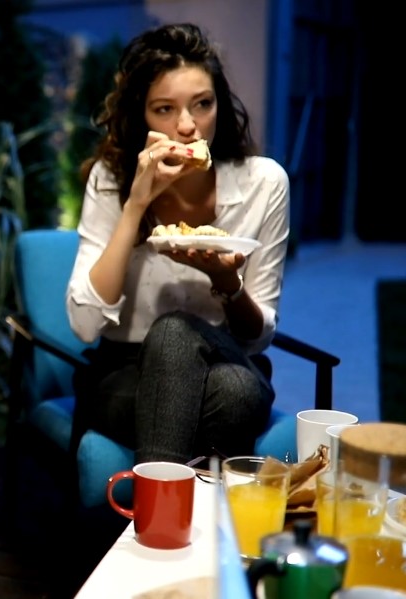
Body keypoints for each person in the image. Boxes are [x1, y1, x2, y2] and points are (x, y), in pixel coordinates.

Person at [66, 23, 288, 465]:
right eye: (164, 109)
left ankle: (154, 519)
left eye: (202, 105)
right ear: (140, 115)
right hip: (126, 372)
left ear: (219, 104)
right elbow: (86, 325)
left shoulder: (265, 182)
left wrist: (227, 282)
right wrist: (135, 205)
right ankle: (204, 517)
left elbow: (257, 337)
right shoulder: (111, 181)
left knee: (184, 337)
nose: (187, 126)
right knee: (231, 391)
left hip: (225, 355)